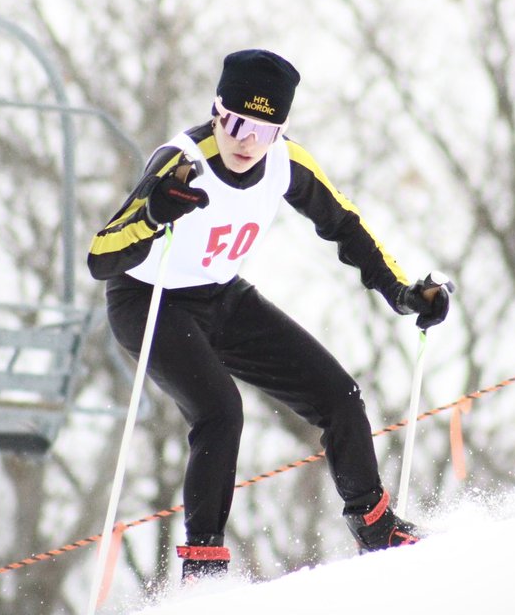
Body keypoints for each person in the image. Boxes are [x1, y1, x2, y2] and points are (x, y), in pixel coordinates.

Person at [87, 49, 452, 581]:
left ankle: (376, 528)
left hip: (222, 296)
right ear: (216, 111)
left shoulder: (287, 162)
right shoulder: (181, 161)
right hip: (147, 300)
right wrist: (151, 214)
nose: (246, 140)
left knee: (341, 397)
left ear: (281, 128)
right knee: (220, 410)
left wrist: (402, 292)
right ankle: (202, 571)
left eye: (264, 127)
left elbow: (346, 226)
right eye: (234, 122)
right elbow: (102, 257)